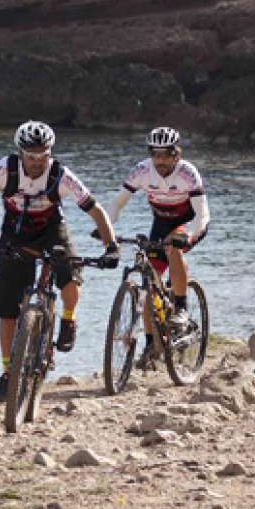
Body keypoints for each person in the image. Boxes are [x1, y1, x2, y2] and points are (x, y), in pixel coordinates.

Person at [0, 119, 118, 401]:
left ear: (50, 152)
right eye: (31, 156)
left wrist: (111, 245)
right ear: (20, 153)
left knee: (71, 273)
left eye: (43, 156)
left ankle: (68, 319)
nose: (37, 162)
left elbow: (96, 210)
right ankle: (7, 372)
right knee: (6, 308)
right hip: (15, 232)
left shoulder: (62, 175)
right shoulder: (4, 170)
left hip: (52, 228)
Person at [106, 126, 210, 368]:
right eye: (156, 154)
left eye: (166, 154)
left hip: (190, 222)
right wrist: (106, 228)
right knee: (150, 286)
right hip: (161, 224)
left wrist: (189, 235)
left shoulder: (187, 173)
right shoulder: (142, 171)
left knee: (173, 247)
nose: (160, 160)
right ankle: (152, 345)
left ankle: (182, 308)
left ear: (177, 154)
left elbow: (202, 215)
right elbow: (117, 203)